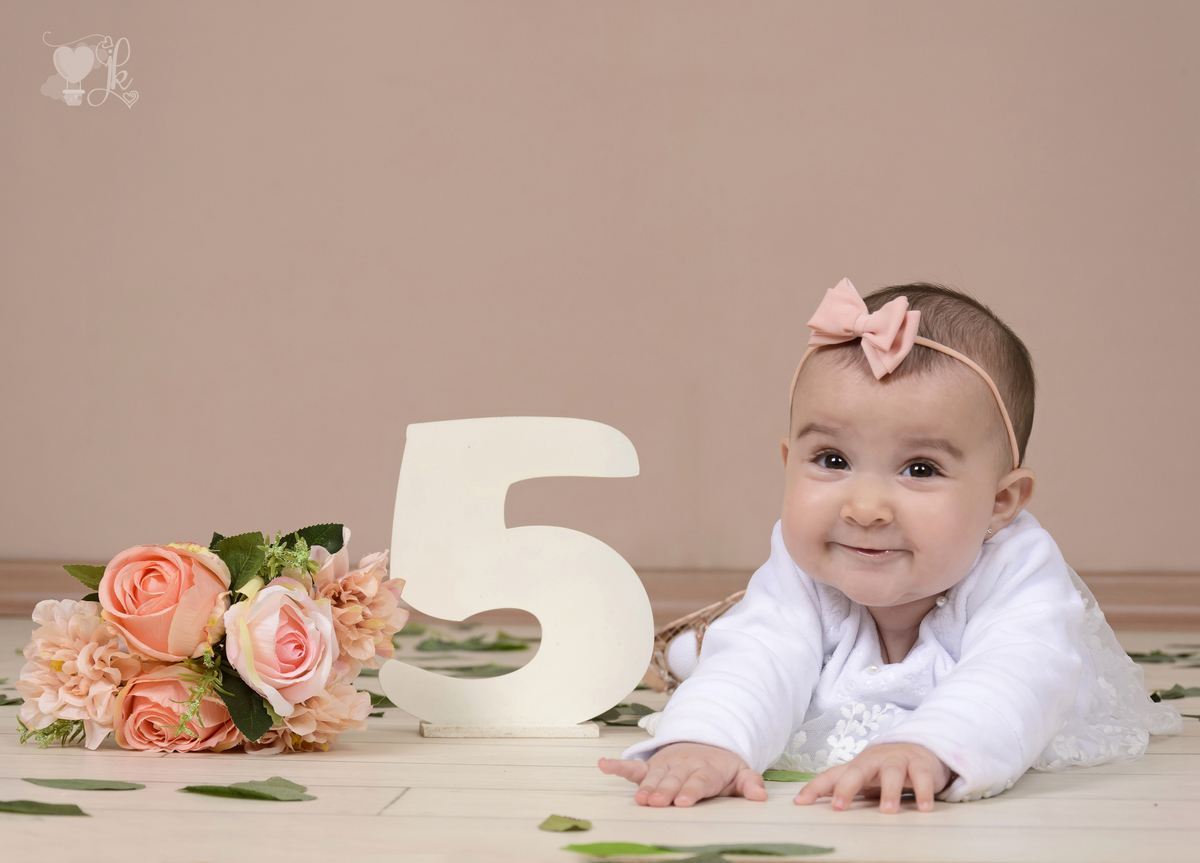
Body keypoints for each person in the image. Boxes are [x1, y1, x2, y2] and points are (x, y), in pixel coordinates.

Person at [599, 279, 1181, 812]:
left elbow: (1019, 671)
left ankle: (696, 648)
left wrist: (930, 747)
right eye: (832, 460)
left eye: (920, 469)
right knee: (743, 643)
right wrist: (708, 740)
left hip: (988, 712)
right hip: (820, 666)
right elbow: (762, 653)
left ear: (1000, 502)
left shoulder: (1017, 567)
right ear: (788, 463)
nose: (865, 508)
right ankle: (699, 648)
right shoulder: (803, 563)